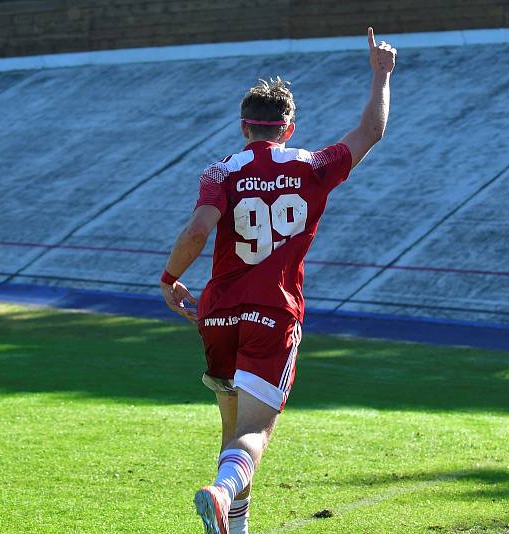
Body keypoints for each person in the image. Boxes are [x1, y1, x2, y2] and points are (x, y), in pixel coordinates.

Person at [159, 27, 396, 534]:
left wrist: (170, 277)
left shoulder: (219, 171)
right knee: (254, 434)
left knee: (231, 431)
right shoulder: (311, 165)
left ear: (244, 129)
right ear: (288, 128)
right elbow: (370, 132)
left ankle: (232, 526)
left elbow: (199, 229)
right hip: (274, 312)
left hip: (219, 312)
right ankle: (221, 494)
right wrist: (380, 75)